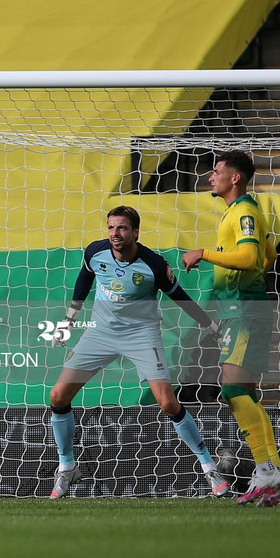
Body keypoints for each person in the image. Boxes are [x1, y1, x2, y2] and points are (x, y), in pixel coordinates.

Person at [46, 205, 230, 499]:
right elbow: (84, 279)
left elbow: (179, 297)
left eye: (121, 228)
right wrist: (68, 321)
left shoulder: (154, 265)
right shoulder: (96, 252)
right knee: (58, 396)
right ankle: (67, 467)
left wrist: (209, 325)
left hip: (142, 335)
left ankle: (209, 468)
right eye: (110, 228)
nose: (114, 234)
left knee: (168, 403)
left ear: (135, 232)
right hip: (101, 334)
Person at [181, 150, 280, 507]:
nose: (210, 177)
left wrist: (205, 254)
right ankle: (271, 471)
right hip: (244, 309)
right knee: (245, 391)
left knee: (230, 389)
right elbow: (267, 255)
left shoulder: (244, 211)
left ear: (235, 178)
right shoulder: (242, 212)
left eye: (216, 171)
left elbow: (249, 259)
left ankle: (267, 468)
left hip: (244, 309)